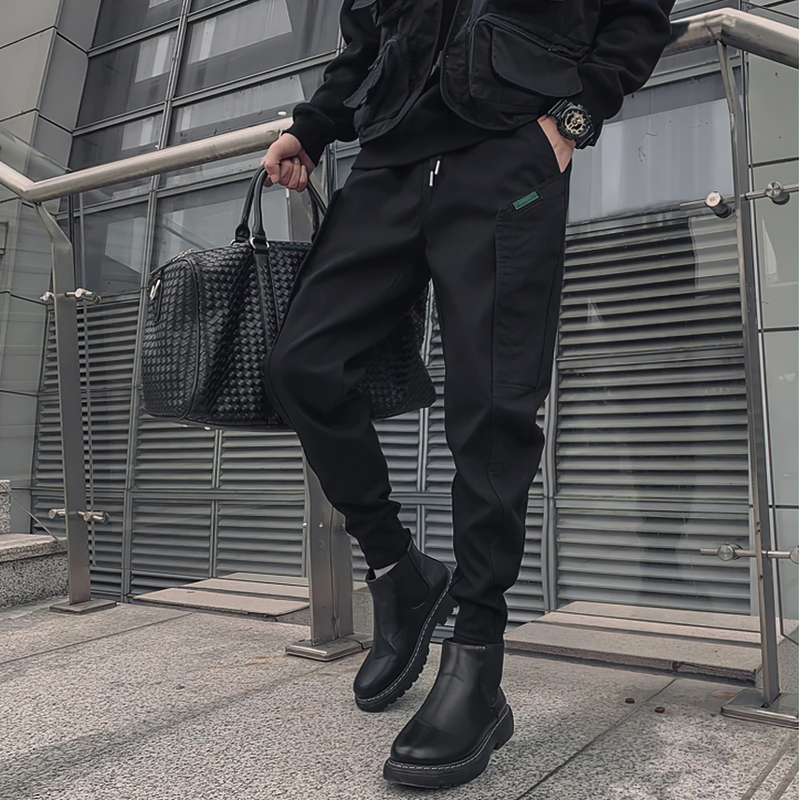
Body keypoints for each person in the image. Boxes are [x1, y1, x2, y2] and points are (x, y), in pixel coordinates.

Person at [261, 0, 674, 788]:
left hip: (507, 151)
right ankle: (400, 573)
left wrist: (574, 118)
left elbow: (642, 12)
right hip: (388, 158)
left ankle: (477, 656)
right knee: (302, 366)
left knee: (492, 407)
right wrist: (312, 126)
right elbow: (368, 36)